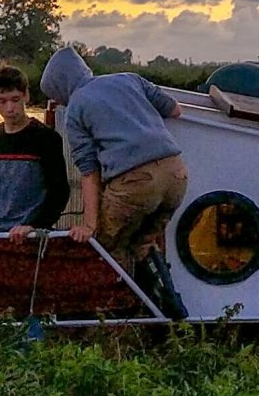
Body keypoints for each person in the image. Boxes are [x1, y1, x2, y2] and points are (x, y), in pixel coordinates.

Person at [38, 45, 188, 318]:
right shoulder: (128, 78)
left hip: (137, 182)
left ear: (60, 88)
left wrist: (90, 225)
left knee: (104, 246)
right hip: (177, 175)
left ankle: (114, 319)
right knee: (142, 244)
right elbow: (175, 110)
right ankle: (170, 312)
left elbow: (89, 171)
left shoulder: (76, 109)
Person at [0, 63, 71, 240]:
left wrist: (35, 226)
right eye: (2, 101)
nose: (9, 108)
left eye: (15, 100)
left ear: (26, 96)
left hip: (27, 234)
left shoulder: (46, 138)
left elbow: (59, 190)